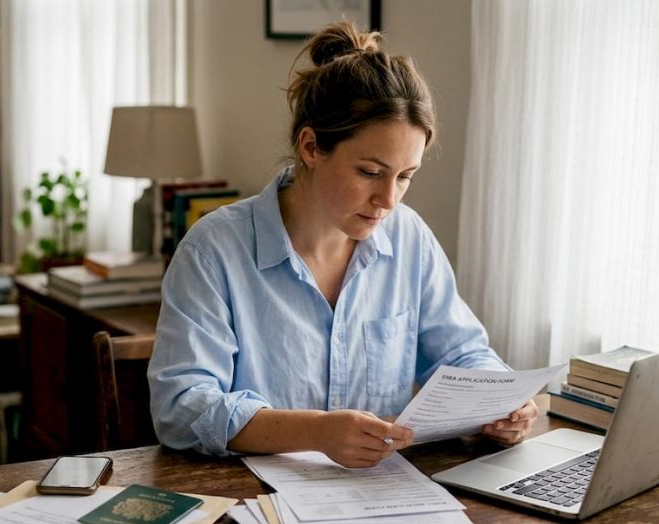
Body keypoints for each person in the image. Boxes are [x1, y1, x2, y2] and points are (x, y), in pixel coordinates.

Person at [149, 22, 538, 468]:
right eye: (370, 172)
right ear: (311, 147)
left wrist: (501, 402)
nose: (388, 199)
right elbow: (182, 407)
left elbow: (461, 353)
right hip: (253, 494)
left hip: (386, 491)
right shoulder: (213, 250)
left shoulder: (409, 238)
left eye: (405, 176)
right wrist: (316, 432)